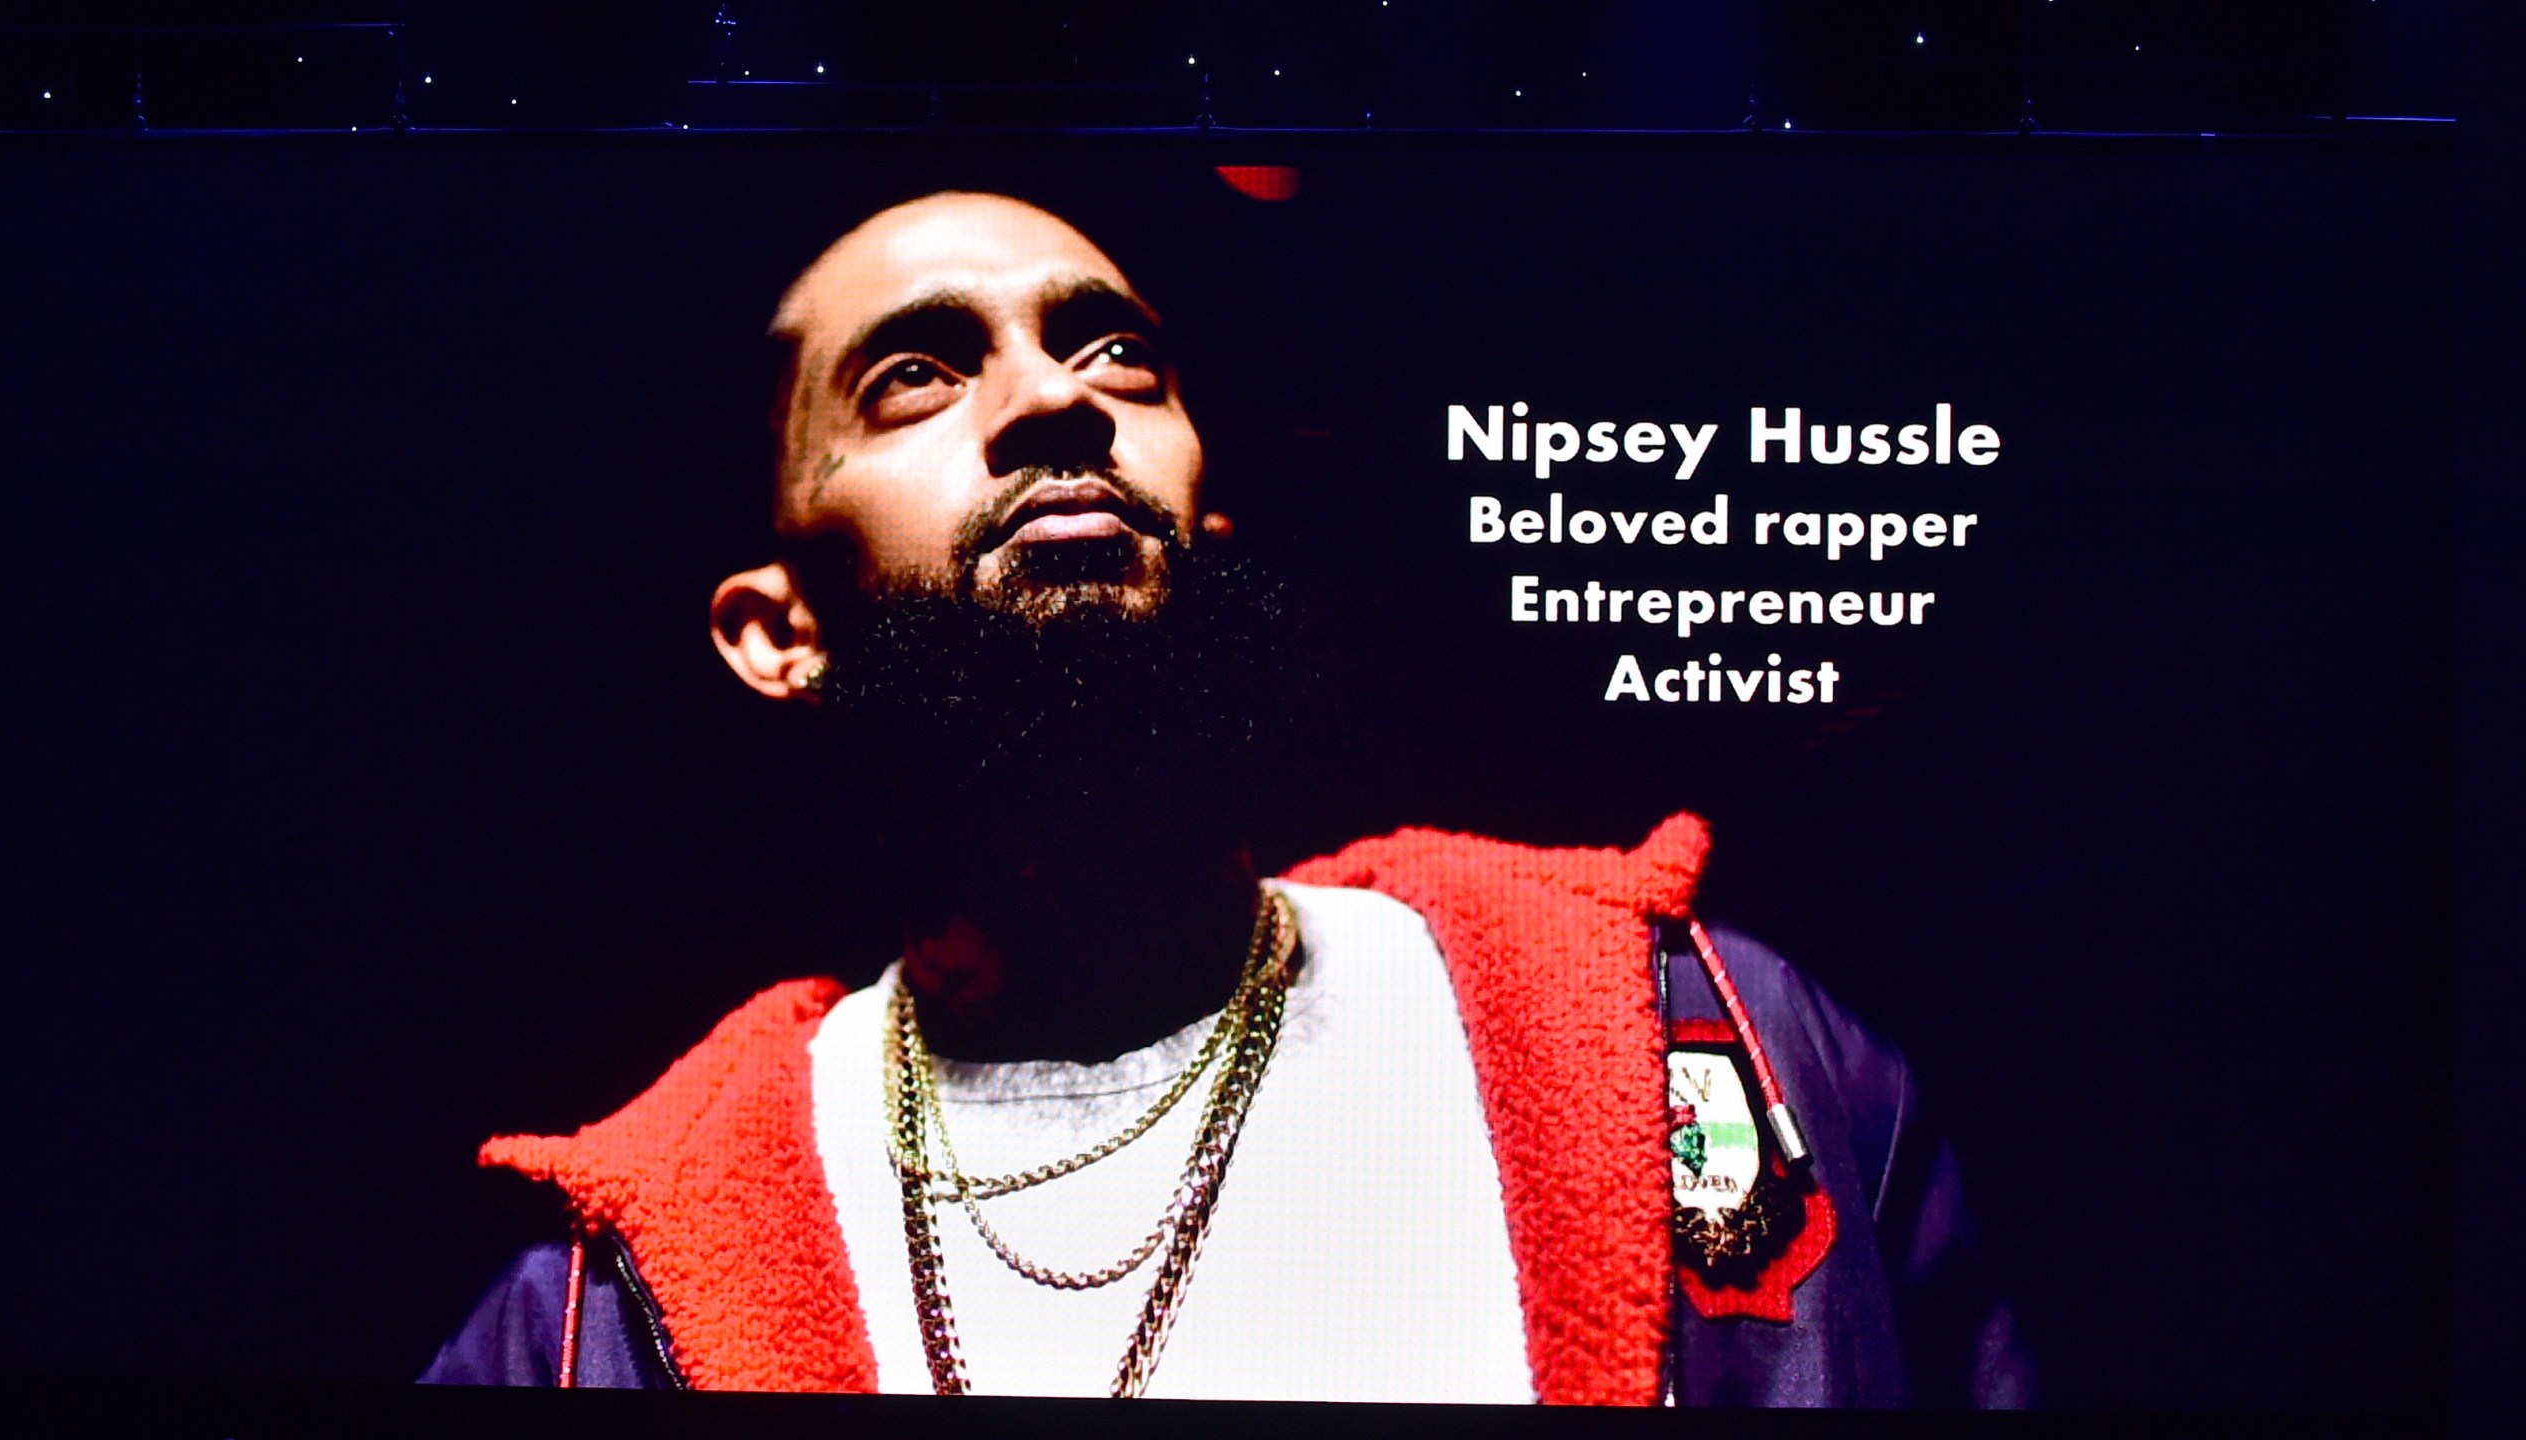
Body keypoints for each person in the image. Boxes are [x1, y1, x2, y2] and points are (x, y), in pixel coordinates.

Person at [421, 191, 2031, 1406]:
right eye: (916, 376)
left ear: (1214, 533)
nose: (1058, 404)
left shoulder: (1731, 1045)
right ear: (779, 635)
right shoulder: (595, 1315)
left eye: (1117, 353)